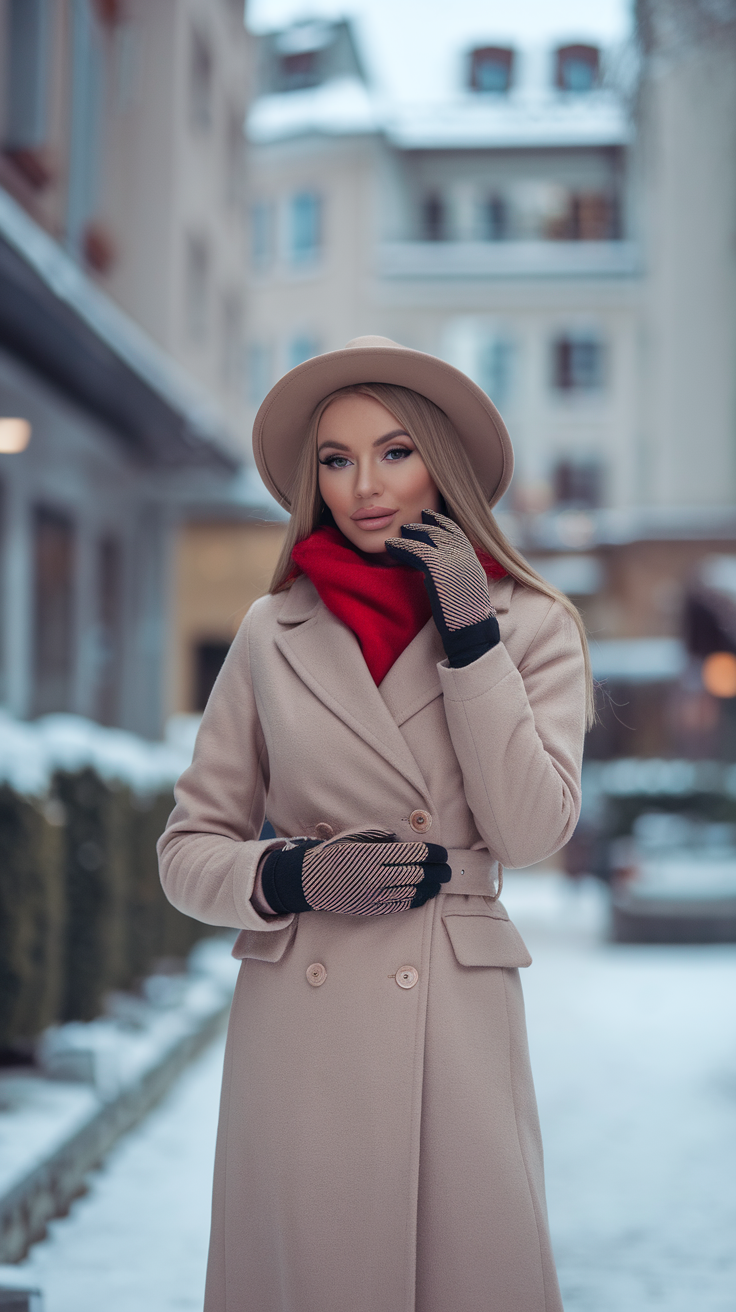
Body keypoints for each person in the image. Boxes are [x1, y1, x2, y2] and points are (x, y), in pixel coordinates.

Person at [158, 336, 592, 1312]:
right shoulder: (276, 630)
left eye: (394, 451)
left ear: (444, 461)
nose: (365, 485)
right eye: (336, 457)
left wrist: (470, 635)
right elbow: (188, 851)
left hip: (455, 1014)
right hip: (303, 1027)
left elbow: (530, 832)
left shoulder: (530, 625)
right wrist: (291, 878)